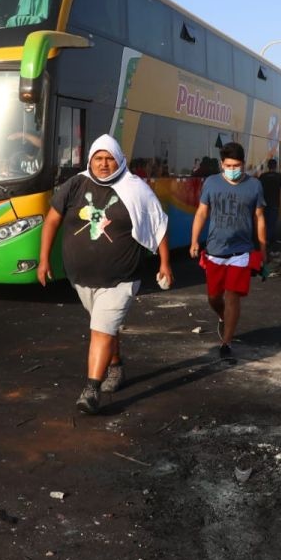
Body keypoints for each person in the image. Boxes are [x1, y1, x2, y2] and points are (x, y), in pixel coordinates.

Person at [37, 135, 171, 415]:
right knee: (105, 325)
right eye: (98, 158)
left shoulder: (136, 188)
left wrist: (165, 263)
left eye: (109, 158)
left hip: (121, 278)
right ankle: (116, 365)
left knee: (100, 329)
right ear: (90, 160)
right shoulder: (76, 184)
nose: (104, 164)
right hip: (81, 278)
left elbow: (158, 225)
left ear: (119, 160)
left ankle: (91, 391)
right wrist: (44, 259)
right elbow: (52, 220)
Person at [190, 141, 266, 363]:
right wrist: (194, 241)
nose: (233, 169)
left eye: (237, 165)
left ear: (243, 164)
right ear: (222, 164)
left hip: (241, 253)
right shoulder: (211, 183)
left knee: (232, 296)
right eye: (229, 165)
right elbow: (201, 213)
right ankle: (223, 317)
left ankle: (226, 342)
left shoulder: (254, 185)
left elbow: (259, 218)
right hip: (215, 250)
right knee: (213, 297)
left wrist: (263, 249)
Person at [258, 158, 281, 247]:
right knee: (272, 223)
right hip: (274, 203)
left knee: (265, 222)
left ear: (268, 166)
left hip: (263, 203)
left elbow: (257, 189)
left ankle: (269, 238)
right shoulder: (279, 176)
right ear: (276, 166)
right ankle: (267, 240)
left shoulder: (262, 176)